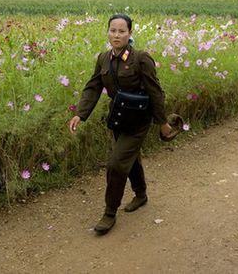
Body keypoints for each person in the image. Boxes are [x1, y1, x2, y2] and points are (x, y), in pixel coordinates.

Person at [68, 14, 173, 235]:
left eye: (122, 31)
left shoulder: (141, 59)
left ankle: (109, 213)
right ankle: (141, 194)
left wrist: (162, 123)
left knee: (116, 164)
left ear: (130, 34)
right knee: (130, 158)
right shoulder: (103, 59)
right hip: (118, 119)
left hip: (139, 121)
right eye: (113, 30)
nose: (117, 35)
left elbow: (156, 92)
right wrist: (81, 114)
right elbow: (93, 87)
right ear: (107, 32)